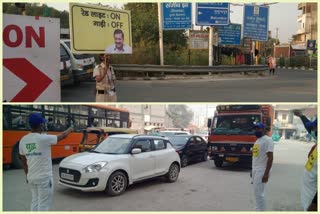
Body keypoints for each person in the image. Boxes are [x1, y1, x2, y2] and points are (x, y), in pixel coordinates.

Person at [19, 113, 73, 211]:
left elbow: (23, 161)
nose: (43, 125)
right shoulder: (43, 138)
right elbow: (63, 135)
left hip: (31, 177)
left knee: (35, 201)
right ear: (40, 125)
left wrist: (27, 175)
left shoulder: (23, 140)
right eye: (43, 124)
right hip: (44, 178)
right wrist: (70, 128)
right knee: (43, 205)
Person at [293, 110, 317, 211]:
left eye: (315, 128)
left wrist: (314, 204)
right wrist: (301, 116)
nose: (313, 131)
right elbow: (309, 127)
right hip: (308, 200)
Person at [251, 122, 274, 211]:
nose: (256, 130)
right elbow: (256, 157)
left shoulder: (268, 140)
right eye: (255, 129)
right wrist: (252, 170)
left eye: (259, 128)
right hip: (256, 169)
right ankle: (258, 209)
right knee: (256, 193)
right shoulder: (258, 140)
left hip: (262, 170)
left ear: (264, 129)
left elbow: (270, 158)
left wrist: (266, 174)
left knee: (260, 193)